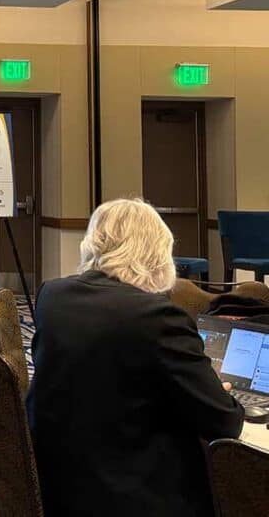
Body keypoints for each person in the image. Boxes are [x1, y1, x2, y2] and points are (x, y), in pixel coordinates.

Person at [26, 198, 244, 517]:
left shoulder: (52, 296)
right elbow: (225, 423)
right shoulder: (158, 317)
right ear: (156, 252)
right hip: (135, 496)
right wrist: (214, 392)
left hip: (58, 487)